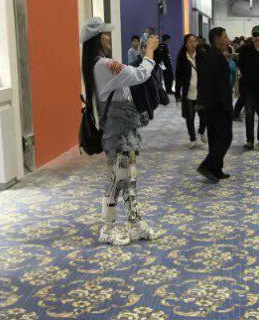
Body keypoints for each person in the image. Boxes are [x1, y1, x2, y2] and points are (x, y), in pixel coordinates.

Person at [81, 17, 159, 246]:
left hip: (125, 129)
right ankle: (107, 228)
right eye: (105, 34)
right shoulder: (104, 65)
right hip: (117, 132)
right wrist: (150, 52)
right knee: (118, 178)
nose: (109, 37)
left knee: (130, 176)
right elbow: (140, 74)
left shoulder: (101, 64)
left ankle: (135, 223)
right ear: (97, 39)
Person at [197, 26, 234, 182]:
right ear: (217, 39)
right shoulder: (214, 57)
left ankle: (216, 169)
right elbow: (216, 85)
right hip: (218, 105)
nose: (228, 39)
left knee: (215, 137)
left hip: (213, 105)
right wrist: (226, 105)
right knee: (225, 137)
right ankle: (206, 166)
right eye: (225, 36)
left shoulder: (214, 55)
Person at [175, 33, 207, 148]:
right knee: (190, 117)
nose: (193, 44)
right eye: (190, 42)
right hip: (188, 93)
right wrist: (177, 93)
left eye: (194, 41)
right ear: (185, 44)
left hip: (201, 92)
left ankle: (201, 131)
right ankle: (192, 138)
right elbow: (178, 77)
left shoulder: (201, 55)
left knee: (204, 116)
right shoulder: (182, 58)